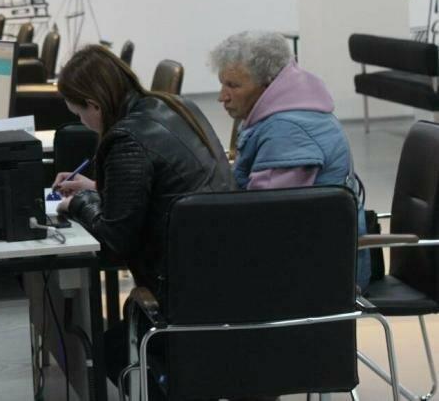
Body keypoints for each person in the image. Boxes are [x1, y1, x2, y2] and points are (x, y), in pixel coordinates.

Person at [53, 44, 233, 387]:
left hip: (180, 299)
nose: (83, 123)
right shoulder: (177, 106)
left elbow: (113, 244)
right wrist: (99, 189)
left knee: (105, 351)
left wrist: (77, 203)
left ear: (94, 104)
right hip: (224, 279)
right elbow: (168, 189)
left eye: (80, 114)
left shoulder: (126, 138)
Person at [210, 30, 370, 291]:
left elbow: (265, 218)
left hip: (320, 269)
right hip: (313, 251)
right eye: (222, 84)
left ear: (268, 84)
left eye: (233, 86)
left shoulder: (286, 131)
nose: (222, 96)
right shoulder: (288, 112)